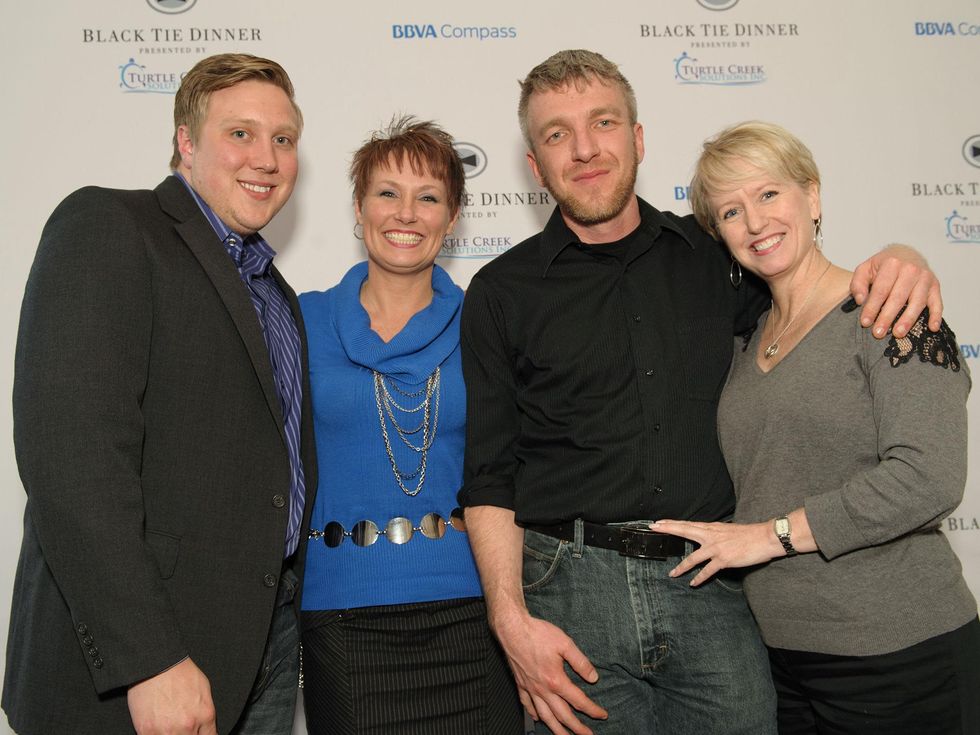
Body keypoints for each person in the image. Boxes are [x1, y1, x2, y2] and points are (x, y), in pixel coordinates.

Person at [458, 49, 945, 735]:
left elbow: (810, 306)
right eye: (557, 134)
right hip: (567, 591)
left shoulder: (720, 257)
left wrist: (904, 256)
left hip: (712, 585)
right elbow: (489, 474)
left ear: (638, 138)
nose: (585, 148)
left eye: (603, 122)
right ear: (535, 166)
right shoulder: (500, 292)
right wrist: (510, 623)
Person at [3, 53, 316, 735]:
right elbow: (72, 459)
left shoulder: (274, 292)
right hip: (143, 666)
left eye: (284, 139)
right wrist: (149, 659)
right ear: (186, 141)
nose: (266, 158)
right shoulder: (110, 225)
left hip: (261, 651)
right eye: (240, 133)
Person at [650, 120, 979, 735]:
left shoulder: (891, 311)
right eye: (731, 211)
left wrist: (769, 536)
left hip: (899, 652)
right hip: (782, 662)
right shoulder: (743, 343)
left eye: (769, 194)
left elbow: (928, 477)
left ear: (814, 196)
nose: (755, 222)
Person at [298, 116, 524, 735]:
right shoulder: (299, 321)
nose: (406, 213)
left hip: (472, 610)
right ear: (358, 207)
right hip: (341, 613)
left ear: (453, 219)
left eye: (428, 198)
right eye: (386, 193)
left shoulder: (487, 325)